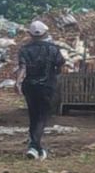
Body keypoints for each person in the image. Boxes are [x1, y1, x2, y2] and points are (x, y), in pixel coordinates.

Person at [15, 20, 65, 160]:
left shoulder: (24, 50)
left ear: (30, 34)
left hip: (30, 86)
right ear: (45, 33)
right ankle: (34, 146)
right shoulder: (53, 49)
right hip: (47, 87)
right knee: (42, 117)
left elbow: (22, 68)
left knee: (33, 115)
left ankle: (35, 147)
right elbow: (60, 64)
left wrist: (17, 83)